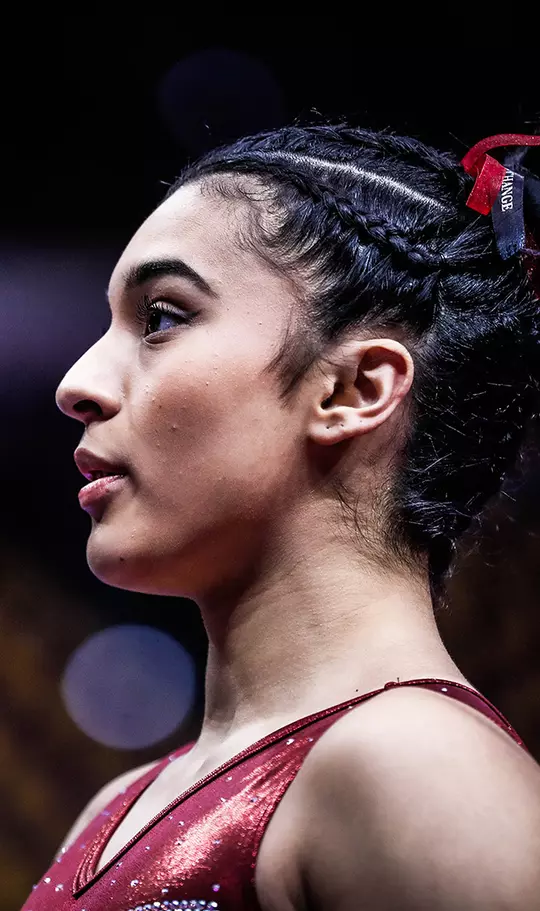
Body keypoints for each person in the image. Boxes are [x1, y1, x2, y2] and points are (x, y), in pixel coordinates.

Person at [22, 125, 540, 911]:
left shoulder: (416, 765)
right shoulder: (115, 809)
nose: (76, 383)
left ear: (354, 389)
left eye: (161, 318)